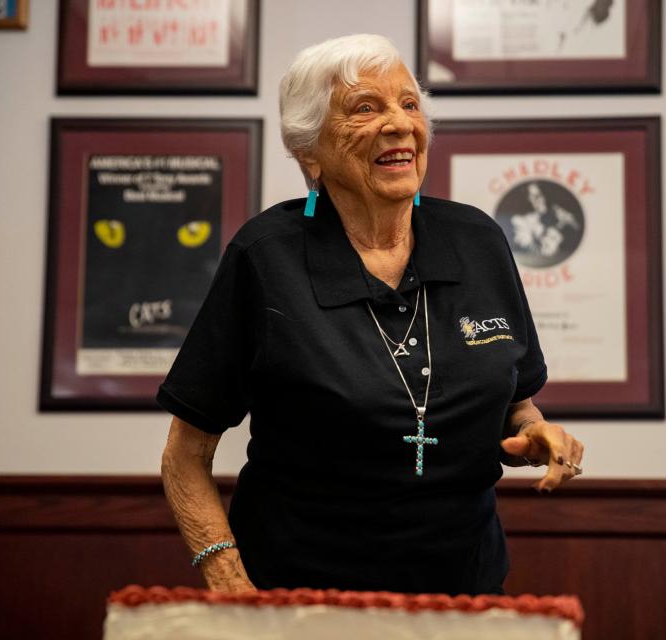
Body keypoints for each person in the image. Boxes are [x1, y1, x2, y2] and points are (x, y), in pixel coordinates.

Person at [158, 33, 585, 597]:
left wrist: (535, 434)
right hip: (301, 601)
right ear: (309, 147)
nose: (400, 124)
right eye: (366, 108)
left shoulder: (478, 240)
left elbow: (515, 402)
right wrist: (228, 578)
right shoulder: (265, 257)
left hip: (463, 594)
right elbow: (186, 456)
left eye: (409, 104)